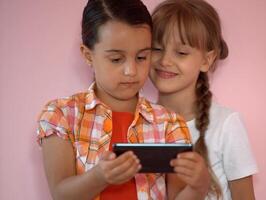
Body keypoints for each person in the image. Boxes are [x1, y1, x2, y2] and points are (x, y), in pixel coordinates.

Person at [36, 0, 210, 199]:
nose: (131, 71)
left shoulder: (170, 123)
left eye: (142, 57)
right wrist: (99, 177)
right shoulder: (61, 114)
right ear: (88, 55)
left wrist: (198, 187)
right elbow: (60, 194)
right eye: (116, 59)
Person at [150, 0, 258, 199]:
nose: (165, 61)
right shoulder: (138, 123)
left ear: (206, 60)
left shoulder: (227, 125)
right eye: (156, 49)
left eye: (181, 53)